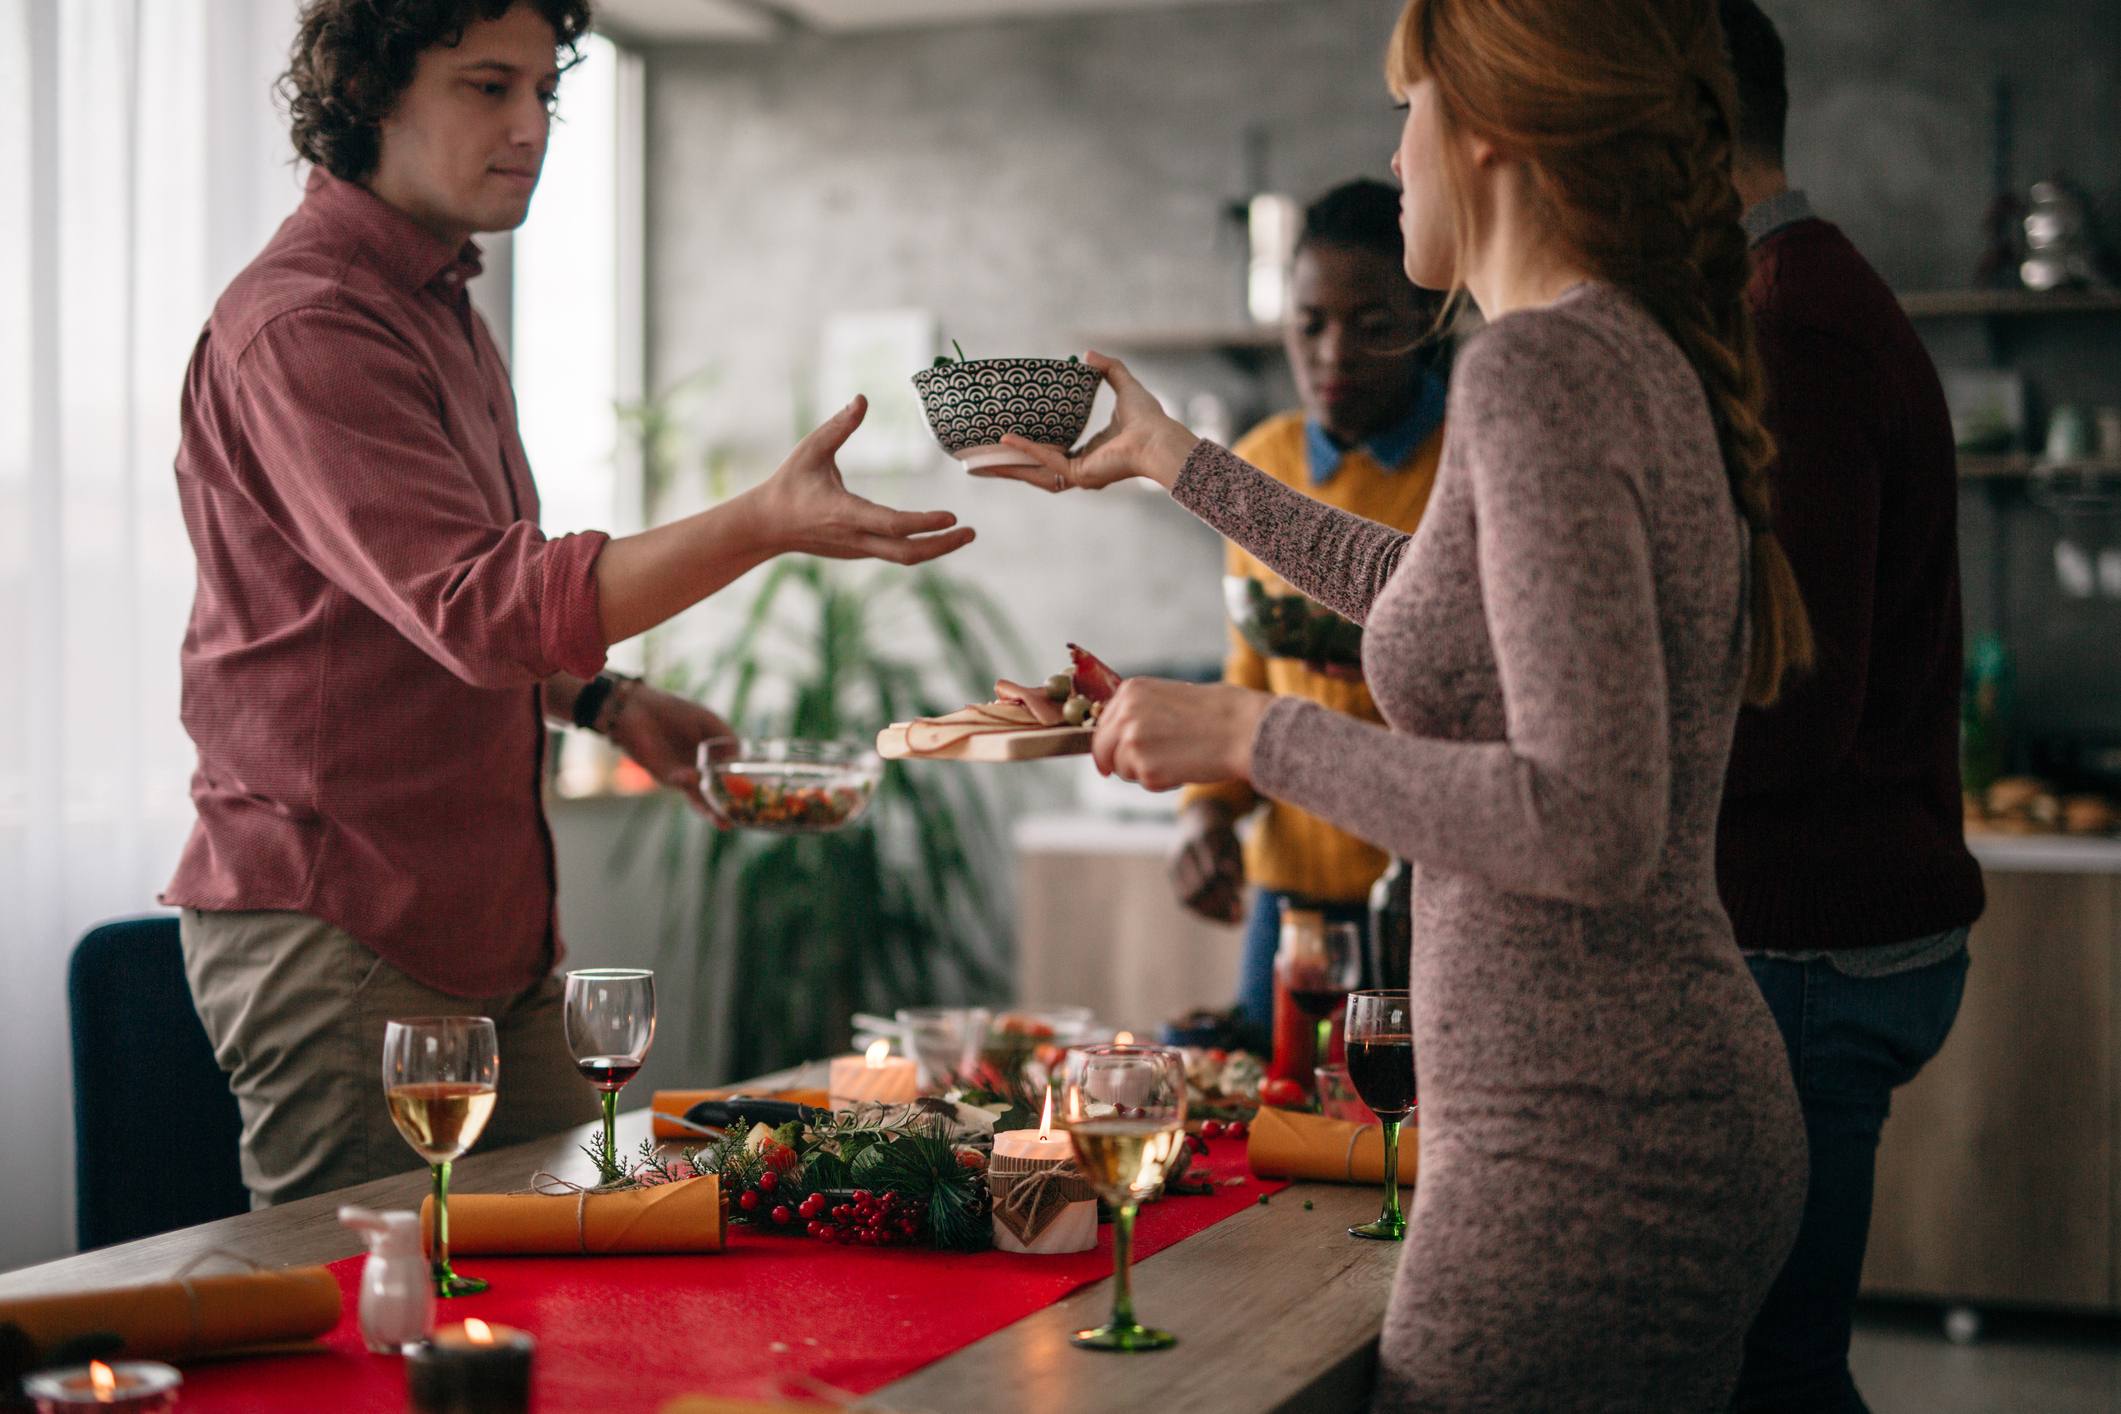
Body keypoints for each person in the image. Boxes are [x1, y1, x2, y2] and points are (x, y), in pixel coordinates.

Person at [982, 0, 1812, 1404]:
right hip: (1632, 1108)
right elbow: (1424, 588)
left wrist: (1249, 732)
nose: (1397, 147)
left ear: (1486, 131)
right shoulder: (1608, 350)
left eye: (1404, 107)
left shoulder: (1537, 370)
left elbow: (1586, 819)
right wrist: (1176, 460)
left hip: (1585, 1141)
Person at [164, 0, 972, 1208]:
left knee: (574, 1288)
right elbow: (483, 608)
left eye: (544, 91)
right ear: (371, 93)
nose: (531, 126)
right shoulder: (311, 322)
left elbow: (433, 620)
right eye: (488, 87)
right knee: (384, 1349)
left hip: (482, 930)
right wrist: (763, 522)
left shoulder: (439, 304)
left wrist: (607, 700)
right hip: (345, 930)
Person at [1714, 4, 1986, 1409]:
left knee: (1772, 1377)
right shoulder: (1790, 300)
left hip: (1807, 953)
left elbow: (1790, 708)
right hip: (1819, 941)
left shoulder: (1787, 327)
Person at [1171, 179, 1449, 1040]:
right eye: (1309, 325)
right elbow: (1249, 674)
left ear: (1428, 323)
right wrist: (1206, 817)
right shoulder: (1258, 464)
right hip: (1288, 897)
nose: (1332, 355)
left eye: (1371, 327)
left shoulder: (1468, 464)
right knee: (1279, 1135)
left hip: (1432, 896)